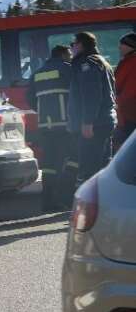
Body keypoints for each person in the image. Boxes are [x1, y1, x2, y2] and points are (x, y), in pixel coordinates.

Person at [68, 31, 117, 188]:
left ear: (81, 45)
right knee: (103, 163)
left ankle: (93, 203)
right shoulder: (102, 62)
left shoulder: (87, 64)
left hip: (95, 123)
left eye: (73, 44)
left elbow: (91, 95)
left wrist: (87, 122)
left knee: (90, 165)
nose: (71, 48)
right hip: (104, 120)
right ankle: (103, 200)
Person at [30, 44, 74, 212]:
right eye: (69, 54)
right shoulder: (68, 69)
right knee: (70, 160)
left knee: (49, 164)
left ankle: (48, 202)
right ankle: (65, 199)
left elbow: (30, 97)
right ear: (63, 54)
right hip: (65, 125)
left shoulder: (38, 72)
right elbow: (77, 94)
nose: (70, 57)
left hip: (45, 126)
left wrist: (44, 112)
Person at [115, 31, 136, 151]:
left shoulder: (131, 63)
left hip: (129, 116)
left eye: (122, 44)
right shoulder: (127, 62)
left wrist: (118, 104)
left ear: (130, 45)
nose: (119, 47)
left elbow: (130, 93)